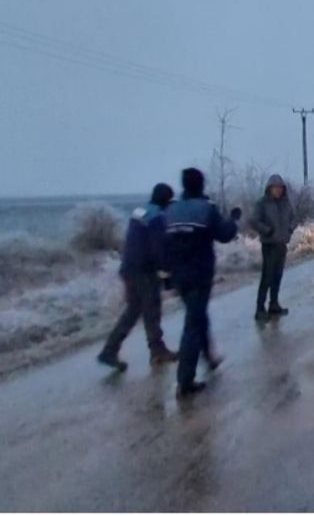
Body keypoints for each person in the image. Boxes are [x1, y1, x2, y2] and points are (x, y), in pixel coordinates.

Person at [163, 168, 240, 398]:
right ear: (201, 185)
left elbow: (163, 243)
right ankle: (185, 381)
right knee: (193, 325)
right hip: (199, 274)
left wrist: (166, 274)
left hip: (178, 275)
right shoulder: (206, 209)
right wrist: (234, 218)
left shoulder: (171, 210)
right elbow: (225, 234)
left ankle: (209, 358)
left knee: (197, 316)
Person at [97, 183, 178, 371]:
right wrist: (168, 270)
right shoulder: (156, 217)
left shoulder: (139, 212)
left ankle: (109, 350)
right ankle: (157, 351)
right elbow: (158, 248)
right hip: (144, 270)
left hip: (128, 267)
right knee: (152, 308)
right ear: (166, 200)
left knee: (133, 311)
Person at [249, 174, 296, 321]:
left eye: (280, 188)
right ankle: (259, 308)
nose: (278, 191)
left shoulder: (286, 203)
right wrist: (267, 230)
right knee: (267, 277)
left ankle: (274, 304)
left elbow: (293, 217)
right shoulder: (262, 203)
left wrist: (290, 229)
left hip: (282, 243)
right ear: (269, 188)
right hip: (269, 244)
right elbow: (254, 221)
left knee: (278, 276)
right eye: (275, 188)